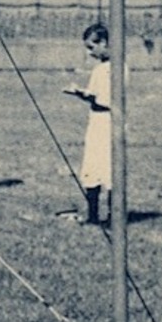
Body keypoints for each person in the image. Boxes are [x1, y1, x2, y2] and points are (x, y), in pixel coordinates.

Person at [63, 21, 113, 225]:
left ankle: (101, 216)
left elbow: (99, 99)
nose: (90, 52)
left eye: (92, 47)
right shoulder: (112, 67)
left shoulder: (105, 70)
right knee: (100, 167)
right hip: (105, 120)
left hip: (104, 121)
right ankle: (102, 215)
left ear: (104, 43)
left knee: (100, 167)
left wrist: (78, 92)